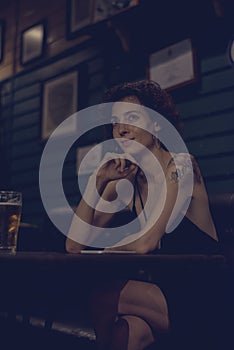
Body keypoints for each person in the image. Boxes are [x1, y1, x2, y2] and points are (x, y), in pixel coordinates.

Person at [66, 80, 220, 350]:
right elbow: (74, 244)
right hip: (163, 294)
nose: (121, 128)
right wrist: (98, 180)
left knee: (102, 297)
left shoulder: (181, 166)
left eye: (132, 117)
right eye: (116, 122)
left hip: (204, 295)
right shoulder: (128, 181)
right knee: (125, 334)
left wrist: (105, 250)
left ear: (158, 124)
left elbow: (146, 245)